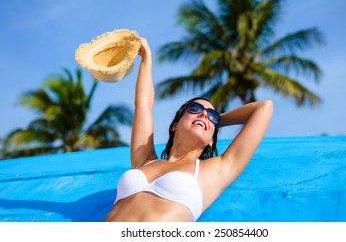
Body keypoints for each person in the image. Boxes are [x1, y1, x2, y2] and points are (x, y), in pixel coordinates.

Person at [104, 37, 273, 222]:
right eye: (195, 109)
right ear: (174, 125)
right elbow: (143, 105)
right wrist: (146, 57)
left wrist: (214, 122)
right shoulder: (144, 160)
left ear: (212, 141)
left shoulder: (216, 170)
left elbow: (264, 108)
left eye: (211, 114)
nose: (203, 115)